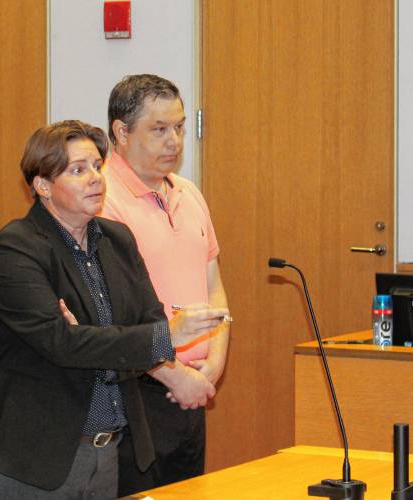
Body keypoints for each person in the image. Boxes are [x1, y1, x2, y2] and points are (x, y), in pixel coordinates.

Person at [0, 120, 228, 499]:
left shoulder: (117, 240)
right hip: (37, 457)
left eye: (97, 166)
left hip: (108, 451)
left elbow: (145, 323)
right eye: (78, 170)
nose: (95, 178)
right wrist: (158, 336)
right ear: (42, 186)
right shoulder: (17, 249)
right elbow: (62, 344)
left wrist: (95, 335)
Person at [102, 74, 231, 496]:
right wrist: (174, 377)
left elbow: (213, 287)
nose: (174, 140)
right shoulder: (103, 201)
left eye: (178, 127)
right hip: (139, 388)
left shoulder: (188, 192)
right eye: (159, 129)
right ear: (121, 132)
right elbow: (112, 316)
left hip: (195, 385)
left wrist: (212, 365)